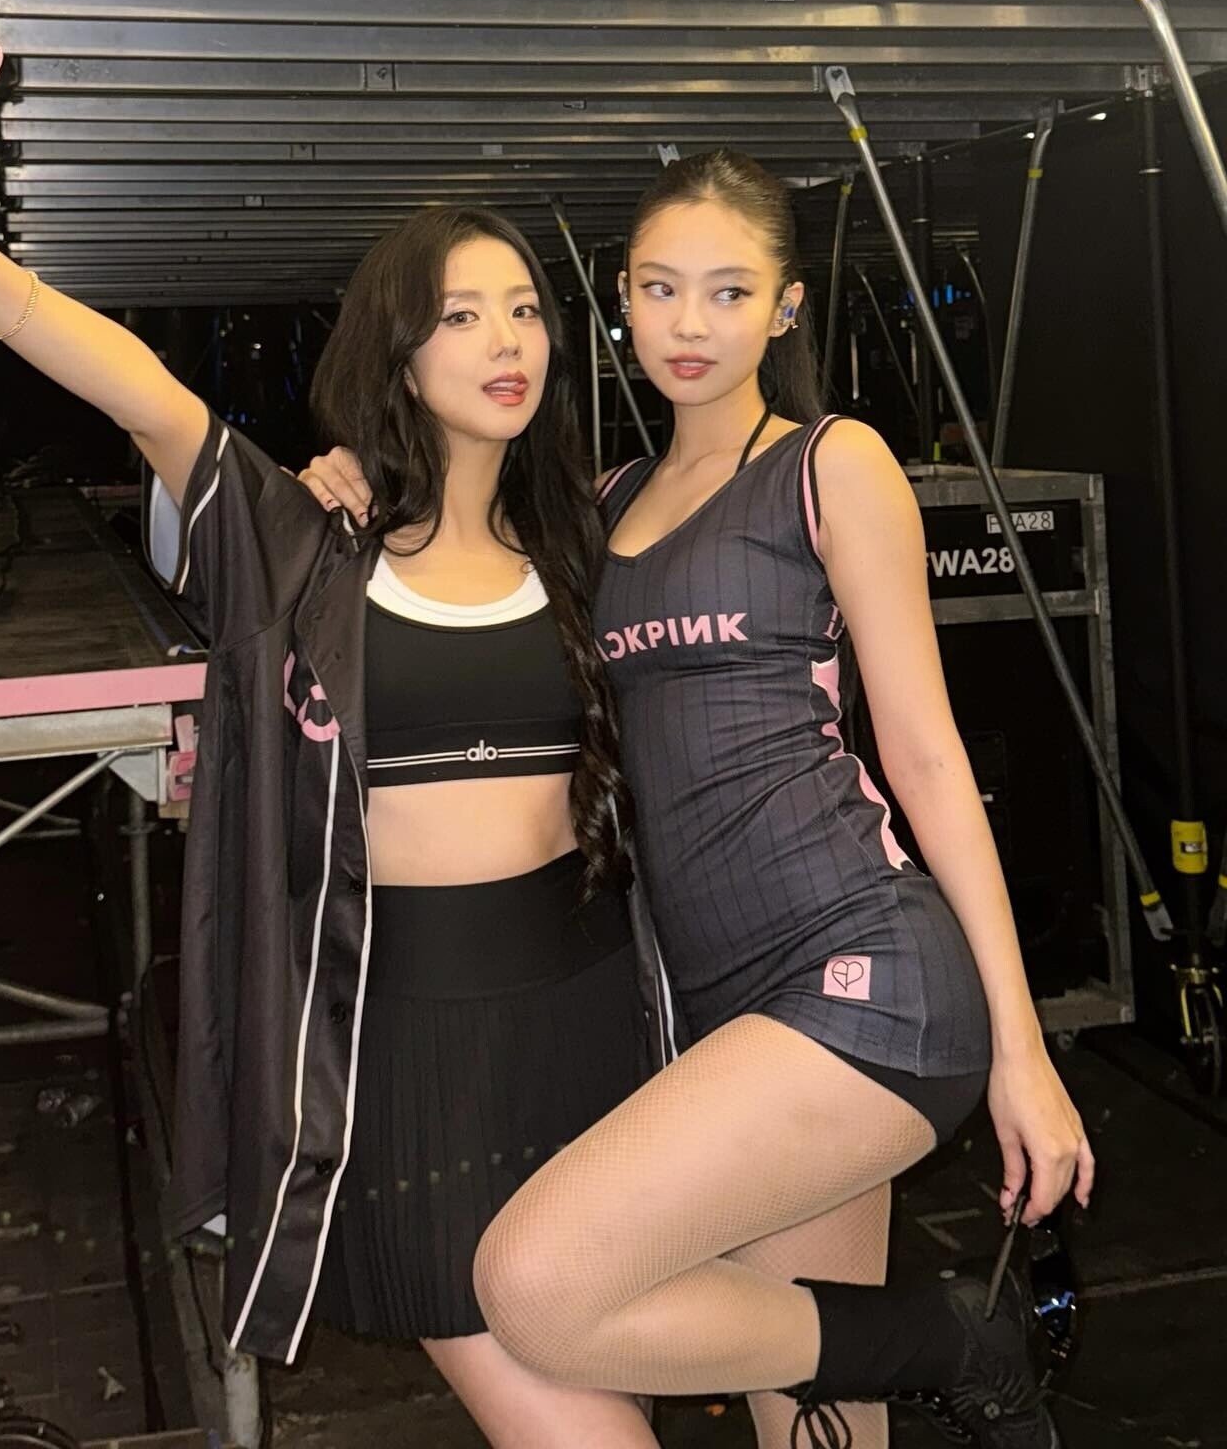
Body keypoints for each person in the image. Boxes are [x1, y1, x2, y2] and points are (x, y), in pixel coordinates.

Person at [0, 56, 671, 1449]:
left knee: (615, 1368)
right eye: (461, 313)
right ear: (396, 352)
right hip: (397, 1046)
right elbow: (138, 389)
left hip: (591, 1016)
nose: (508, 339)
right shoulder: (305, 543)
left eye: (526, 308)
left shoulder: (589, 541)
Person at [301, 151, 1094, 1449]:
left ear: (785, 307)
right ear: (620, 300)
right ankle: (946, 1348)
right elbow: (453, 562)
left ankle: (958, 1338)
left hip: (862, 969)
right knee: (813, 1421)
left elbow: (929, 760)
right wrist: (344, 475)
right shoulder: (597, 509)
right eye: (660, 288)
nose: (691, 323)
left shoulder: (830, 465)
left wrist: (1024, 1049)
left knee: (540, 1283)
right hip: (719, 1012)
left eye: (730, 292)